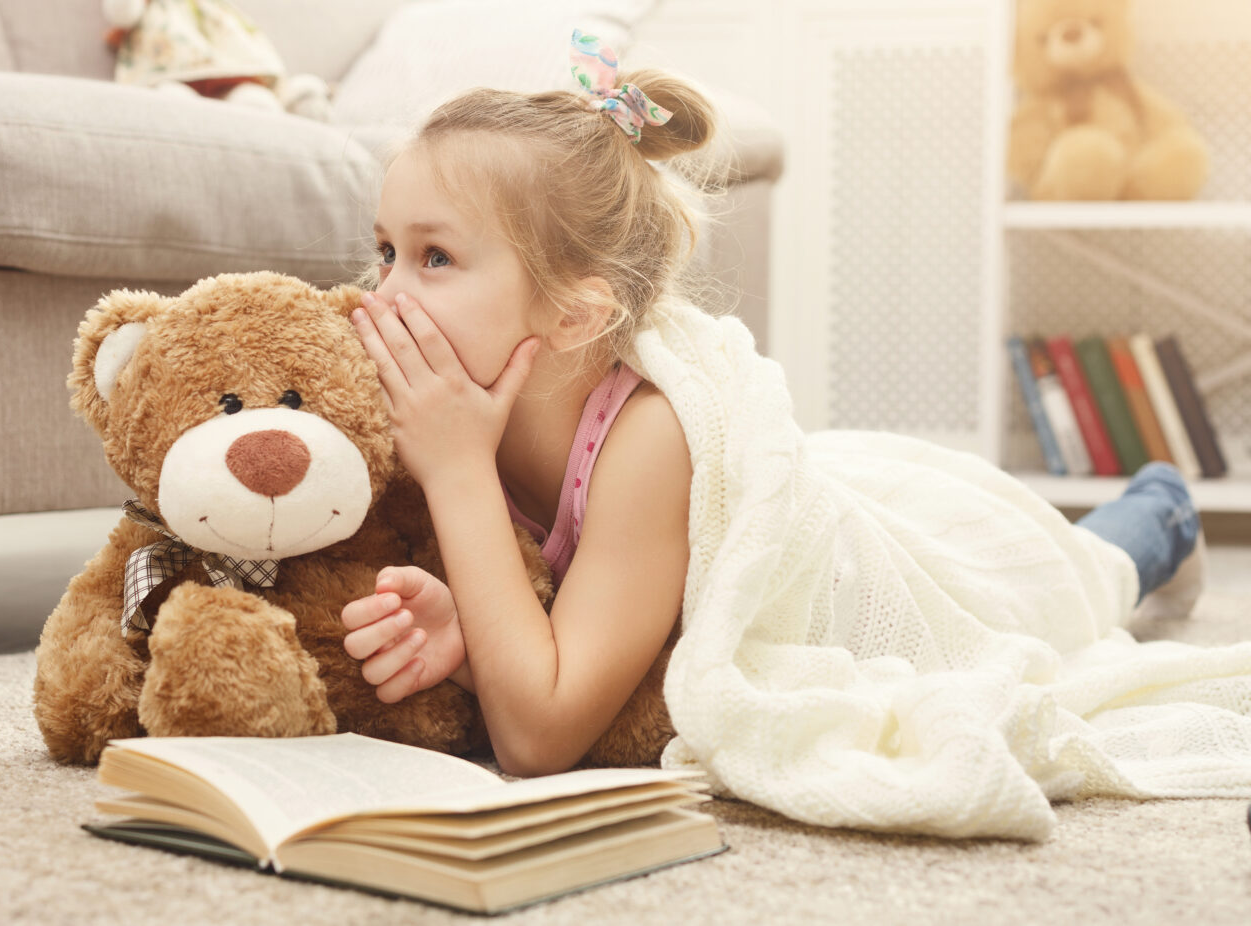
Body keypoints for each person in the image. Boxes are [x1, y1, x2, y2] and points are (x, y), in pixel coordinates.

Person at [338, 32, 1206, 780]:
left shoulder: (644, 441)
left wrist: (456, 473)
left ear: (574, 315)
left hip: (879, 563)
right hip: (843, 482)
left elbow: (538, 737)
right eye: (385, 251)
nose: (384, 293)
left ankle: (1160, 512)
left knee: (1069, 586)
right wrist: (467, 645)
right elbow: (541, 631)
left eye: (435, 258)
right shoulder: (444, 400)